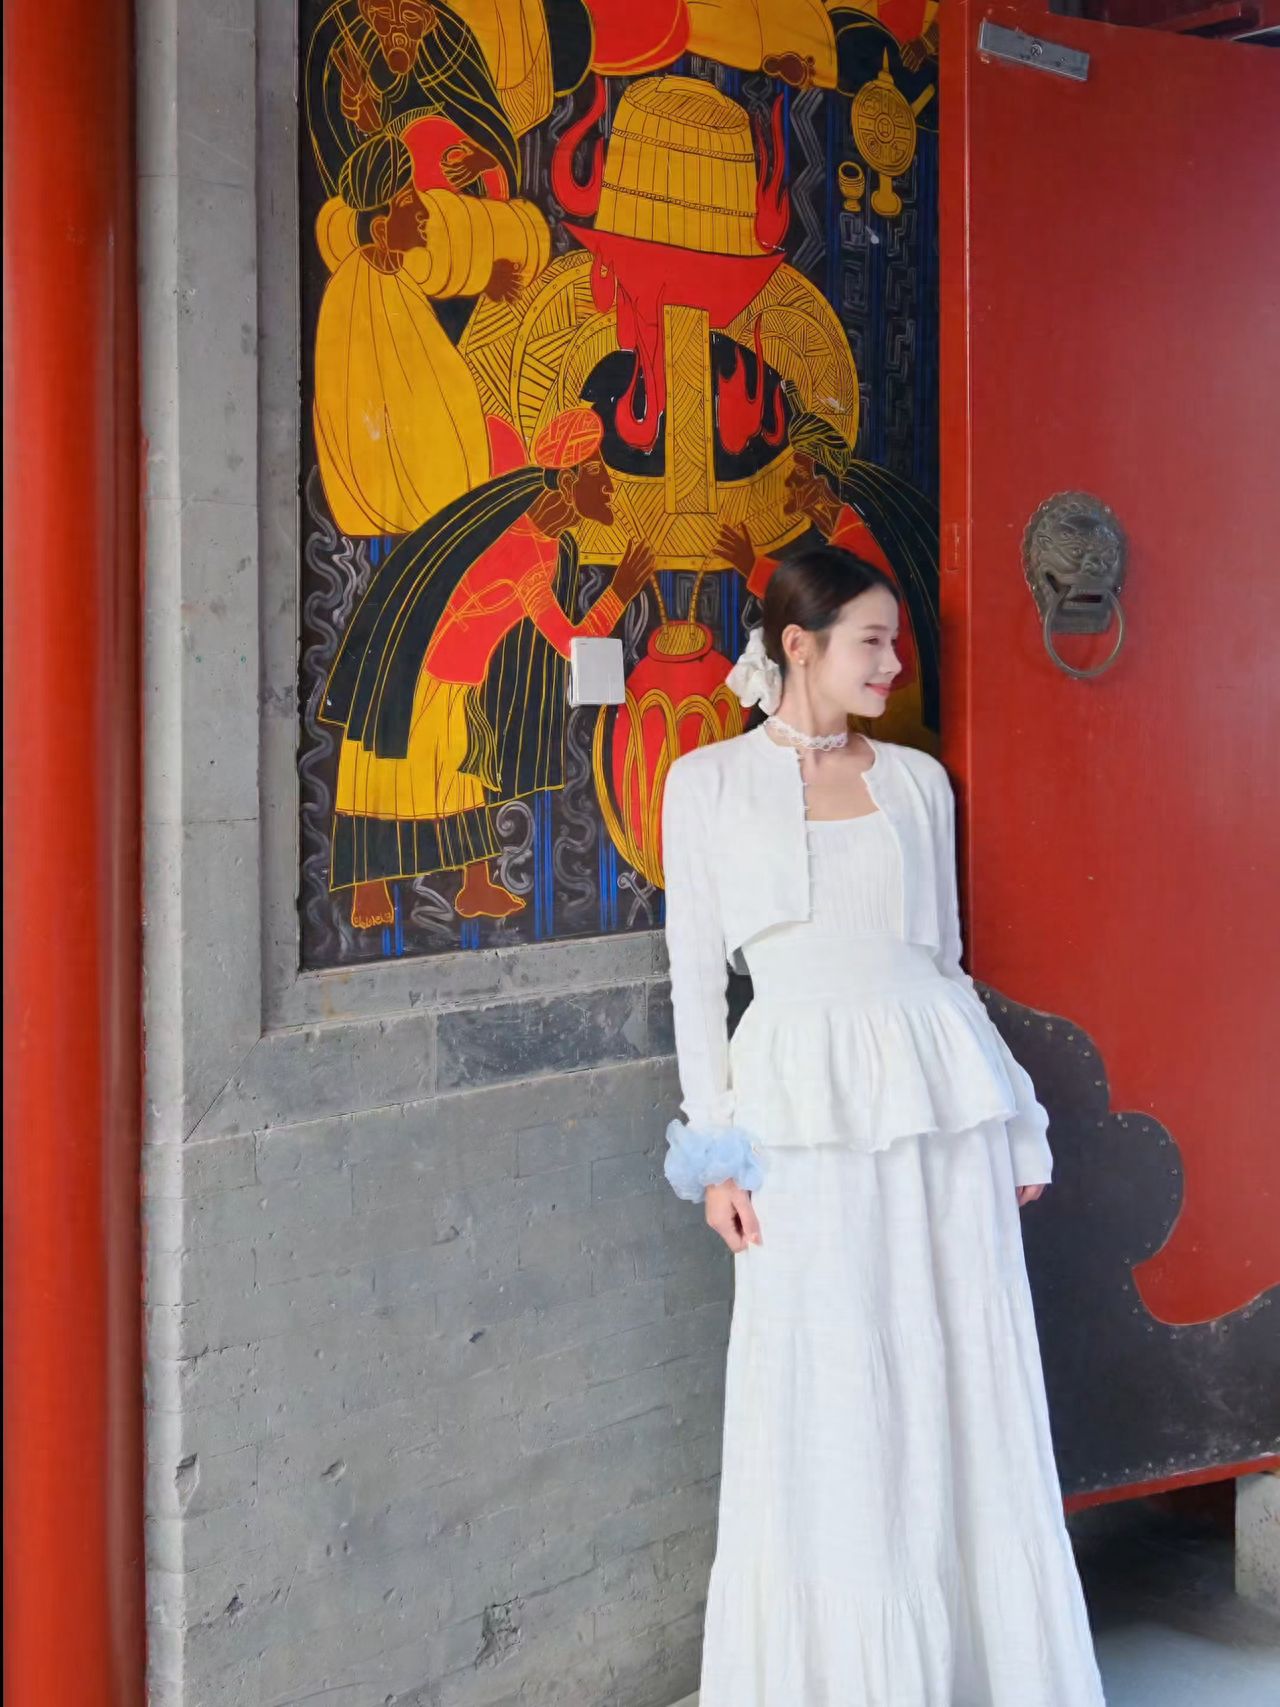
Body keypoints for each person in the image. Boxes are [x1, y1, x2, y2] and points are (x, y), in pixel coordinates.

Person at [660, 546, 1108, 1705]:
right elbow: (695, 984)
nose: (891, 664)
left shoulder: (917, 782)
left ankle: (971, 1671)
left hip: (937, 1105)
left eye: (893, 642)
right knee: (824, 1379)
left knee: (956, 1365)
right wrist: (714, 1158)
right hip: (794, 1112)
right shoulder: (705, 785)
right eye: (870, 642)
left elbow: (943, 966)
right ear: (796, 644)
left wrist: (1015, 1118)